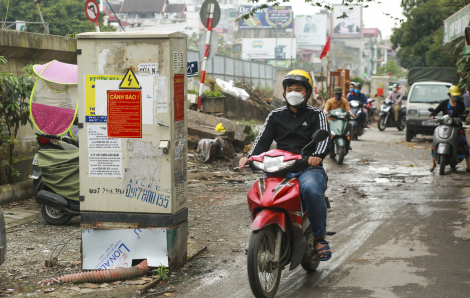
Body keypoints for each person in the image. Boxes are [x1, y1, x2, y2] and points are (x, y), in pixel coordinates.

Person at [238, 70, 333, 261]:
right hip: (280, 167)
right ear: (284, 92)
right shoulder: (275, 115)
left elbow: (324, 139)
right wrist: (250, 157)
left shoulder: (317, 115)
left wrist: (316, 156)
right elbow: (262, 140)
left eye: (298, 89)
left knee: (312, 190)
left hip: (308, 167)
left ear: (307, 93)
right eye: (290, 89)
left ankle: (319, 238)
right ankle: (261, 238)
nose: (293, 92)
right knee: (259, 194)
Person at [429, 85, 470, 172]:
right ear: (450, 94)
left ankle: (468, 165)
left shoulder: (460, 104)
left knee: (464, 143)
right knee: (435, 142)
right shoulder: (444, 103)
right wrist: (432, 114)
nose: (455, 97)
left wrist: (464, 115)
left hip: (456, 127)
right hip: (444, 126)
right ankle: (433, 162)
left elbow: (463, 114)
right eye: (454, 95)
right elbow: (436, 110)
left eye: (456, 96)